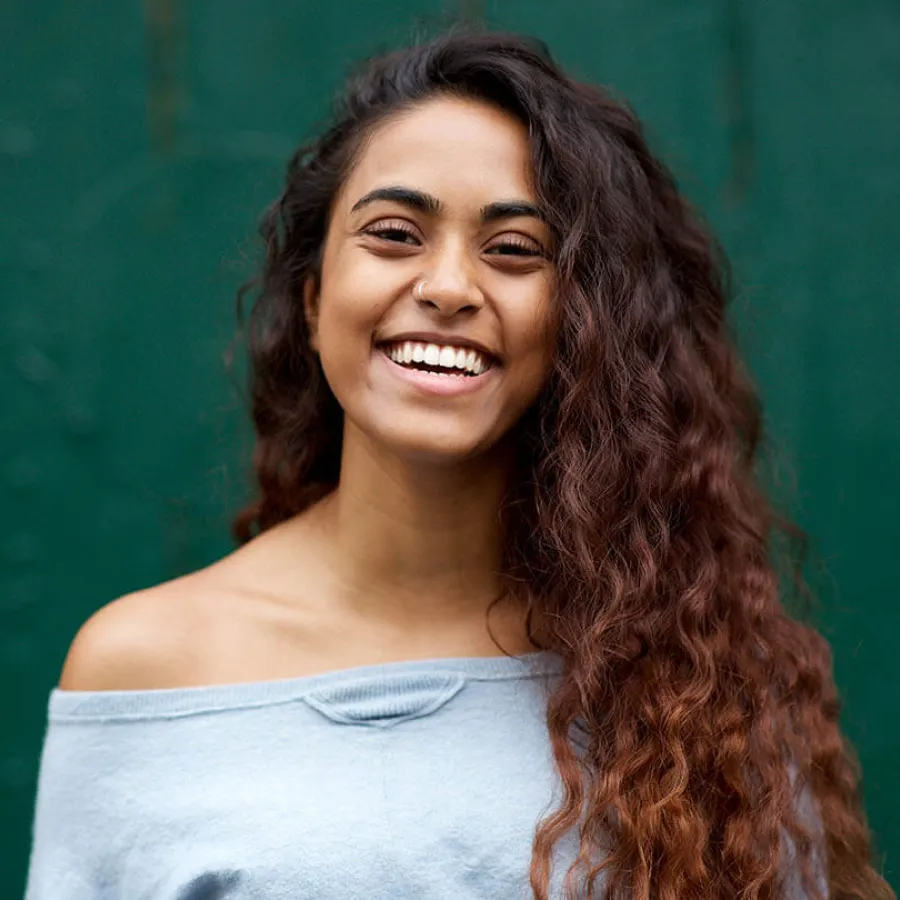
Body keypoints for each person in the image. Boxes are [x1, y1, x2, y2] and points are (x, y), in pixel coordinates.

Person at [24, 29, 892, 900]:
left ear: (582, 322)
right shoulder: (143, 669)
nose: (447, 287)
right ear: (315, 299)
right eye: (395, 234)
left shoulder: (692, 677)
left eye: (514, 249)